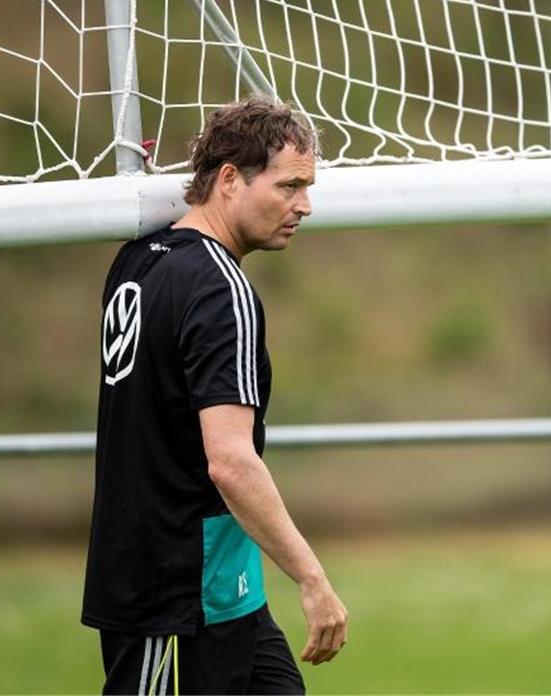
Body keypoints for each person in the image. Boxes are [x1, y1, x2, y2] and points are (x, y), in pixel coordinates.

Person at [82, 97, 348, 695]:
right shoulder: (220, 288)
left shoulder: (138, 260)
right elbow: (229, 460)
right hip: (174, 577)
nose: (304, 205)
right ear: (229, 179)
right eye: (290, 186)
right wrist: (310, 577)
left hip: (211, 572)